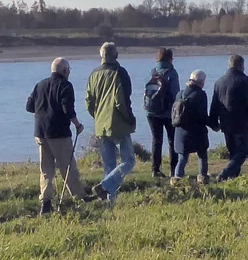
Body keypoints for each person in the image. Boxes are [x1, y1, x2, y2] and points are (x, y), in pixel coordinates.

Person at [26, 58, 88, 214]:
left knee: (46, 169)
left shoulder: (40, 85)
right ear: (65, 71)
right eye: (69, 70)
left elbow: (29, 106)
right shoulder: (65, 86)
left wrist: (43, 111)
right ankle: (79, 198)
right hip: (58, 133)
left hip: (40, 132)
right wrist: (78, 125)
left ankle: (46, 203)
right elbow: (68, 109)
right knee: (67, 167)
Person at [85, 42, 137, 204]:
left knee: (109, 164)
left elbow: (89, 101)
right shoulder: (119, 73)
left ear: (101, 56)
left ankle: (109, 200)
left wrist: (97, 115)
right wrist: (129, 118)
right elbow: (121, 101)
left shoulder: (93, 74)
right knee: (128, 160)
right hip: (118, 122)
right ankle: (105, 186)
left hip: (101, 122)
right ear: (116, 55)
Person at [209, 54, 248, 181]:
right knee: (242, 151)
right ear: (241, 65)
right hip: (241, 122)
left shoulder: (219, 81)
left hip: (225, 122)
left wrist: (214, 122)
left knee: (233, 152)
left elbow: (215, 103)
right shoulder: (244, 81)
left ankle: (233, 177)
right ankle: (226, 174)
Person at [142, 49, 181, 179]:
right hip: (167, 112)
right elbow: (176, 93)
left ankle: (155, 170)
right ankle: (173, 170)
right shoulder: (172, 73)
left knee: (156, 140)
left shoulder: (152, 72)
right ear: (170, 59)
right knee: (172, 140)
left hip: (151, 111)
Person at [170, 69, 211, 182]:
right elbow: (203, 115)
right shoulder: (201, 94)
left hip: (181, 132)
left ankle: (177, 178)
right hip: (197, 132)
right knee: (202, 155)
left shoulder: (180, 94)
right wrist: (214, 125)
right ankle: (203, 177)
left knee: (182, 157)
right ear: (201, 82)